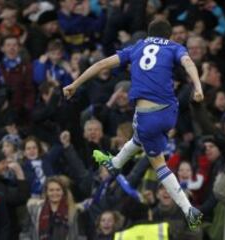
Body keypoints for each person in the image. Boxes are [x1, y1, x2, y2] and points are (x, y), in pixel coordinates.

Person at [63, 19, 204, 229]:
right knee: (140, 136)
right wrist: (198, 87)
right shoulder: (174, 46)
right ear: (169, 35)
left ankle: (187, 209)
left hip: (147, 115)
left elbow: (101, 64)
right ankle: (116, 163)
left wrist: (74, 84)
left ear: (149, 35)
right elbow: (189, 63)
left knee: (159, 164)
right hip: (169, 112)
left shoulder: (137, 47)